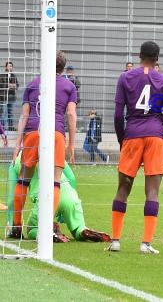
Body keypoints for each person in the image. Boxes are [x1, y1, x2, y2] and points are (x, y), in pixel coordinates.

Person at [109, 41, 163, 255]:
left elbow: (118, 115)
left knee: (123, 188)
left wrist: (123, 141)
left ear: (139, 56)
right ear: (157, 58)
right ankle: (145, 243)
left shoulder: (125, 77)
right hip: (156, 138)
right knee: (153, 191)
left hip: (132, 136)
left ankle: (116, 240)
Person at [9, 50, 77, 239]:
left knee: (23, 178)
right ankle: (46, 228)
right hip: (55, 133)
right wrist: (71, 144)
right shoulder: (69, 85)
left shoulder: (33, 84)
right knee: (55, 181)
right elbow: (71, 114)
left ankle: (16, 226)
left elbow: (24, 115)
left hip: (33, 132)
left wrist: (17, 146)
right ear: (63, 67)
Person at [7, 153, 111, 243]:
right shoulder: (54, 151)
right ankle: (82, 231)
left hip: (46, 199)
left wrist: (14, 226)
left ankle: (47, 234)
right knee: (78, 227)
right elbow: (72, 178)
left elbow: (12, 199)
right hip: (70, 196)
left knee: (32, 229)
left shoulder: (18, 160)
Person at [0, 61, 19, 130]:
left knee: (10, 112)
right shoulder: (1, 75)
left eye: (11, 66)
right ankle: (2, 128)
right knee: (2, 113)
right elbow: (1, 85)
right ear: (6, 67)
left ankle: (11, 127)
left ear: (12, 67)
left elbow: (17, 85)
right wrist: (10, 85)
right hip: (3, 97)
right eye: (8, 66)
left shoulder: (13, 76)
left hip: (11, 97)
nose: (10, 67)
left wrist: (13, 85)